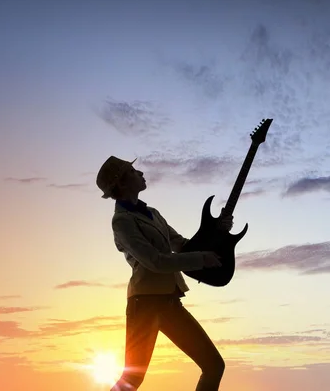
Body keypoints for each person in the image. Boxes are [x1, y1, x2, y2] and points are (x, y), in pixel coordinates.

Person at [96, 155, 230, 391]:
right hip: (144, 304)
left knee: (213, 365)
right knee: (132, 379)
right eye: (134, 172)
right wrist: (201, 259)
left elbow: (181, 244)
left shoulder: (153, 213)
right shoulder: (121, 222)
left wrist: (218, 233)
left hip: (170, 302)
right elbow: (155, 261)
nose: (141, 173)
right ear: (123, 183)